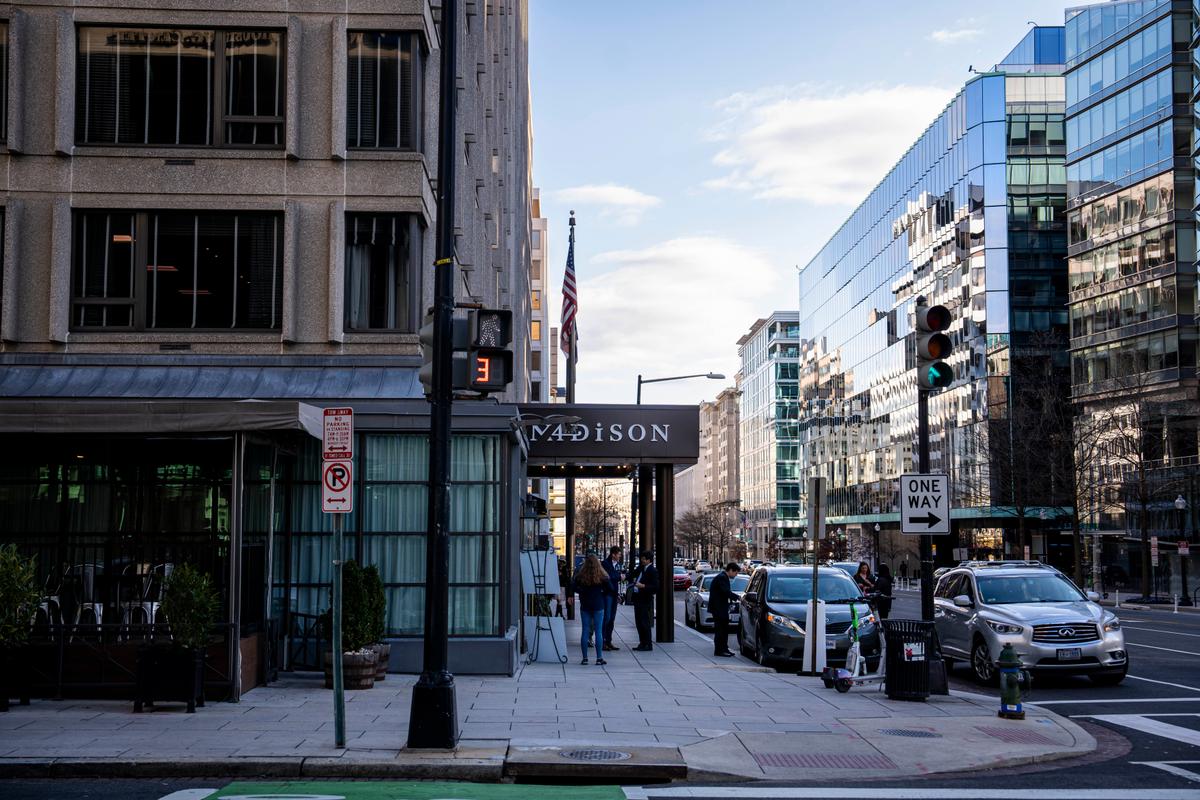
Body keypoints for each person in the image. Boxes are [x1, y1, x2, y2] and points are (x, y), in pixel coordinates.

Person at [571, 555, 616, 665]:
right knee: (599, 631)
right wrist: (602, 593)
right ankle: (599, 658)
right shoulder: (602, 576)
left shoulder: (581, 575)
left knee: (585, 630)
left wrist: (581, 591)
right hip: (598, 604)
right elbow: (611, 589)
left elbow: (572, 585)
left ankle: (585, 658)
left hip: (585, 604)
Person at [630, 550, 658, 651]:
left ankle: (648, 644)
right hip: (637, 598)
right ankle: (642, 642)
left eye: (643, 559)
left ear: (648, 560)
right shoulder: (641, 568)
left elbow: (655, 587)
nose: (641, 560)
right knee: (638, 622)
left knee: (644, 622)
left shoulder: (652, 571)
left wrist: (643, 586)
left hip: (645, 599)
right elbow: (632, 574)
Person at [709, 562, 739, 657]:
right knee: (720, 630)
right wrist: (738, 597)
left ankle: (725, 648)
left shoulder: (723, 577)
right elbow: (726, 591)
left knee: (724, 629)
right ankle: (719, 650)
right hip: (718, 608)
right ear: (730, 570)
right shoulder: (722, 578)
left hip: (720, 608)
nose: (736, 575)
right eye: (735, 573)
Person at [600, 546, 624, 651]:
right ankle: (603, 641)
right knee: (607, 617)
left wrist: (618, 594)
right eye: (619, 554)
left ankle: (608, 641)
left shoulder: (618, 565)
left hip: (614, 594)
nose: (620, 556)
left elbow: (616, 576)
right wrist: (619, 576)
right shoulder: (605, 564)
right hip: (607, 594)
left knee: (612, 619)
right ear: (613, 554)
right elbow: (608, 577)